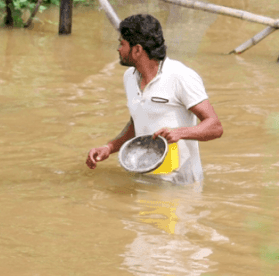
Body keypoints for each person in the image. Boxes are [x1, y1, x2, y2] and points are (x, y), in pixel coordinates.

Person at [86, 14, 223, 185]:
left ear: (137, 50)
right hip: (144, 178)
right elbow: (137, 123)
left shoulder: (181, 76)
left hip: (180, 184)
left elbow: (215, 126)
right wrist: (109, 147)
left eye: (122, 44)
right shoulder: (129, 77)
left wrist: (179, 132)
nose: (118, 49)